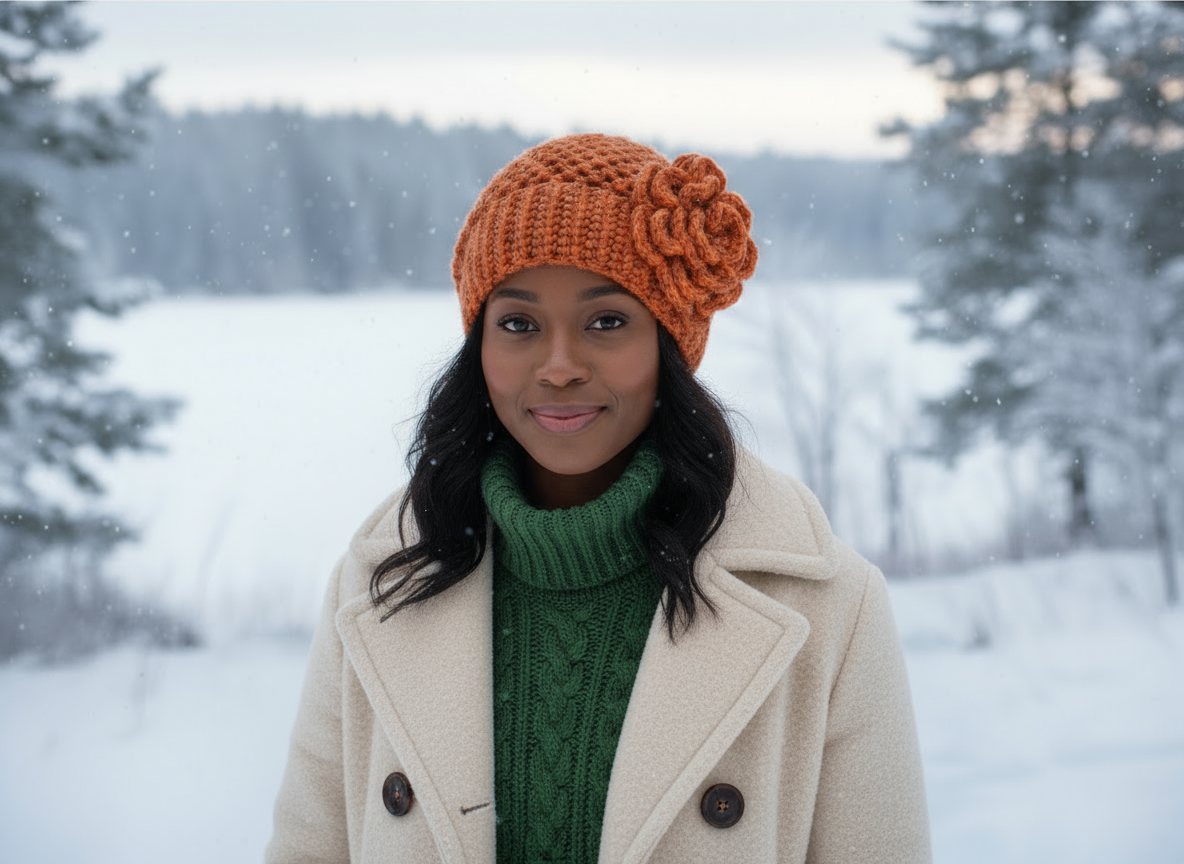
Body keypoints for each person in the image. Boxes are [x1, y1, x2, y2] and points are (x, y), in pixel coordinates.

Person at [265, 133, 930, 864]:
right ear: (478, 347)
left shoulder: (830, 607)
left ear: (667, 345)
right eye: (518, 324)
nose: (558, 367)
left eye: (606, 322)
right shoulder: (379, 583)